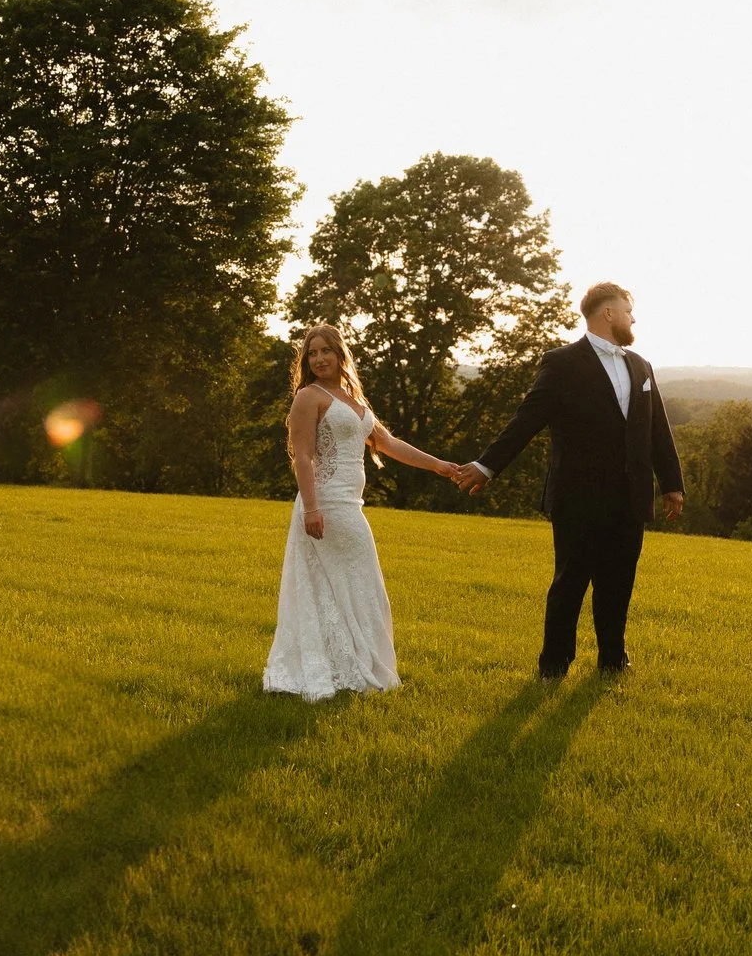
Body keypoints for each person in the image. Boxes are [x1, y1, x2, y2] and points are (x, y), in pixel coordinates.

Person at [452, 282, 683, 678]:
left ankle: (613, 659)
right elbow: (527, 419)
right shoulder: (561, 362)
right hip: (578, 497)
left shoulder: (641, 366)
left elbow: (657, 430)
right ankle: (554, 665)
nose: (633, 318)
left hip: (630, 496)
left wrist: (672, 484)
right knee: (570, 583)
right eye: (628, 310)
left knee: (618, 584)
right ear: (608, 313)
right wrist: (487, 466)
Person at [263, 324, 463, 701]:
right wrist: (311, 508)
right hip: (324, 502)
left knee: (358, 585)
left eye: (326, 351)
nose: (319, 358)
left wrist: (439, 466)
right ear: (306, 361)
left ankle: (351, 664)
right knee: (342, 584)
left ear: (341, 354)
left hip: (351, 504)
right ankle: (341, 667)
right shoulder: (309, 396)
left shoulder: (354, 399)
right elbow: (302, 456)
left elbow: (386, 443)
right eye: (312, 353)